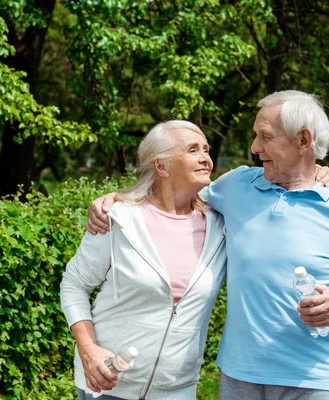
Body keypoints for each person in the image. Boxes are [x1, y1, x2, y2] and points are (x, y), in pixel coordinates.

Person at [87, 90, 329, 400]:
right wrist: (117, 199)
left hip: (314, 380)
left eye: (265, 137)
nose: (254, 147)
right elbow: (169, 195)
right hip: (239, 378)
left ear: (304, 140)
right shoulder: (234, 186)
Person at [60, 120, 228, 400]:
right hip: (109, 385)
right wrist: (88, 351)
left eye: (206, 150)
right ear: (160, 166)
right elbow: (74, 284)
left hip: (177, 390)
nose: (205, 158)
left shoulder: (220, 225)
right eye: (193, 150)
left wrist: (318, 171)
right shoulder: (118, 218)